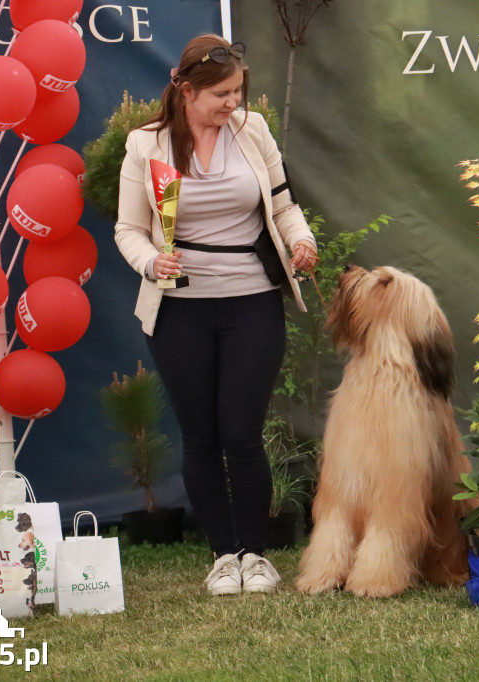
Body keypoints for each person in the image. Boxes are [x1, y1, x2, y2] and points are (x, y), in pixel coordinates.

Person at [114, 34, 318, 596]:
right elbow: (127, 229)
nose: (233, 103)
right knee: (200, 437)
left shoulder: (252, 131)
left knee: (242, 434)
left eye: (238, 92)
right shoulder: (144, 145)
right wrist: (150, 261)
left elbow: (283, 205)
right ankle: (223, 556)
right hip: (178, 309)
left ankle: (256, 556)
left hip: (252, 301)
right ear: (185, 90)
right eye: (222, 94)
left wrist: (303, 242)